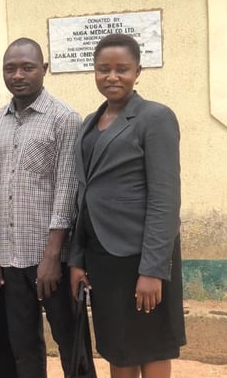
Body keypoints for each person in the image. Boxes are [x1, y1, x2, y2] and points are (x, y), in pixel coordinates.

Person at [69, 34, 186, 378]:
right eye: (103, 69)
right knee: (117, 347)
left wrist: (153, 269)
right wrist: (77, 258)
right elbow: (84, 195)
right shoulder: (89, 122)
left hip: (140, 255)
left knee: (151, 346)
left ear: (138, 71)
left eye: (122, 69)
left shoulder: (155, 118)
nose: (112, 76)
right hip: (102, 257)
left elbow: (165, 198)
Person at [0, 38, 96, 378]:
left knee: (71, 341)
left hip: (51, 258)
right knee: (24, 348)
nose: (18, 75)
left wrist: (51, 256)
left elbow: (67, 190)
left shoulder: (64, 119)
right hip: (10, 257)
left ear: (44, 69)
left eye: (27, 68)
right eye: (10, 69)